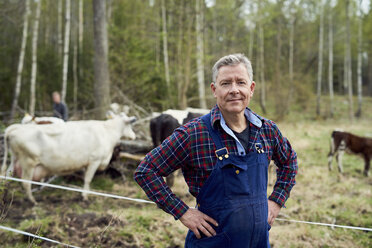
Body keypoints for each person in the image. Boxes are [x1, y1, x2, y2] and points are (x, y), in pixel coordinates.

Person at [134, 53, 298, 247]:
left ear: (251, 88)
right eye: (226, 83)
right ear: (214, 89)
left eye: (241, 82)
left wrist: (277, 201)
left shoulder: (267, 130)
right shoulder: (193, 134)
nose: (234, 90)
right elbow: (146, 171)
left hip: (259, 242)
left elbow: (289, 161)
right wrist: (183, 212)